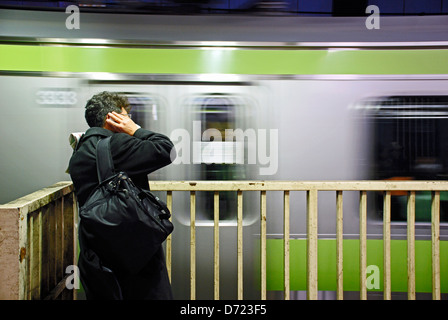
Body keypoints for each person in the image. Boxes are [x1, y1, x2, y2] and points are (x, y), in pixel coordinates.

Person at [68, 91, 175, 300]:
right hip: (133, 251)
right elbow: (166, 150)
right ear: (113, 118)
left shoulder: (79, 152)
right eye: (125, 116)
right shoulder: (116, 145)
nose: (129, 121)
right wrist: (135, 129)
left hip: (97, 251)